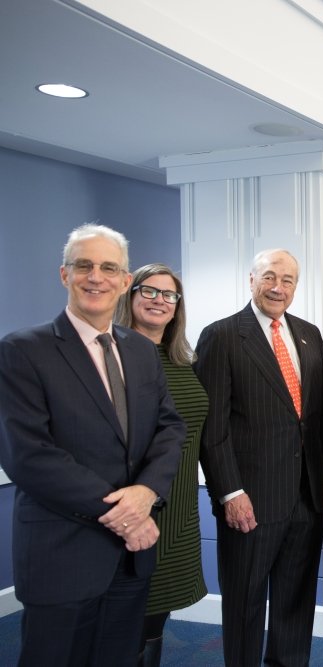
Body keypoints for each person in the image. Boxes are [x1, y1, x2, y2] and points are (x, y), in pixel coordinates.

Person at [0, 224, 184, 666]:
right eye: (83, 265)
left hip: (130, 558)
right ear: (65, 275)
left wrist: (146, 493)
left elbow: (169, 429)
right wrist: (122, 515)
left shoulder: (140, 351)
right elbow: (29, 455)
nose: (95, 277)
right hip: (63, 551)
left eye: (108, 267)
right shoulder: (23, 350)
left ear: (124, 281)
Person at [195, 249, 323, 667]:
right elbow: (212, 428)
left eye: (288, 279)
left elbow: (319, 413)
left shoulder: (310, 334)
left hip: (307, 495)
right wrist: (230, 492)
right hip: (251, 499)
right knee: (244, 602)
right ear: (251, 280)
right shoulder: (221, 336)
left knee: (296, 600)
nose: (279, 287)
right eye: (270, 277)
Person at [114, 263, 207, 666]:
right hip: (136, 507)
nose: (159, 301)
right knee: (127, 617)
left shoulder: (184, 361)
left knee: (157, 613)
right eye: (149, 291)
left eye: (169, 295)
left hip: (181, 503)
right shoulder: (111, 355)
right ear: (130, 296)